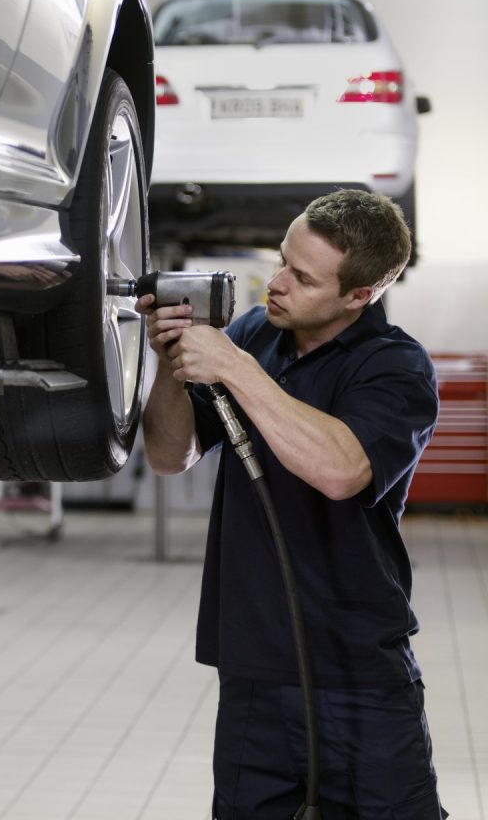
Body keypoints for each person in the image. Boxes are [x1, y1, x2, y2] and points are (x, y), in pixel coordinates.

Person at [136, 189, 447, 819]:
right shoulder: (256, 333)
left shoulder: (395, 368)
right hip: (252, 667)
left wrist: (235, 368)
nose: (275, 284)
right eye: (281, 261)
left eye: (302, 278)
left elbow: (341, 470)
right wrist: (172, 364)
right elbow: (171, 456)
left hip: (357, 671)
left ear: (359, 295)